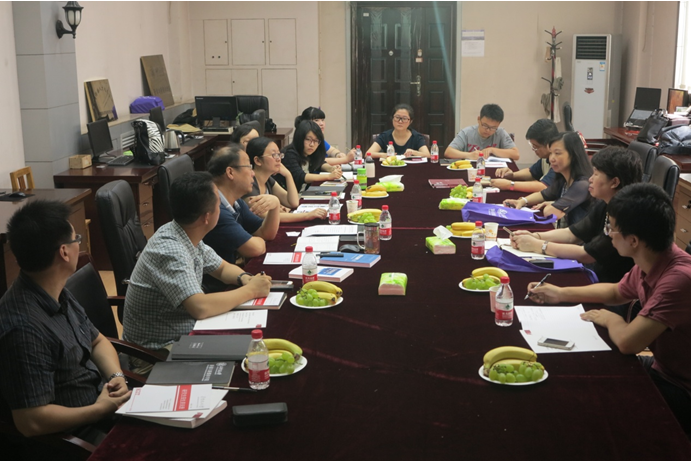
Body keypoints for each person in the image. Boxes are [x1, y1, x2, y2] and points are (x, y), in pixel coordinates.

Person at [526, 183, 691, 437]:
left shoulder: (678, 280)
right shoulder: (653, 257)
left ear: (633, 241)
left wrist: (610, 319)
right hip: (664, 368)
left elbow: (628, 342)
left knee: (596, 404)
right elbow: (616, 292)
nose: (609, 234)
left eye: (611, 228)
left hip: (681, 388)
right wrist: (560, 293)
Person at [0, 200, 131, 441]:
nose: (78, 244)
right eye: (76, 239)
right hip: (78, 436)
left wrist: (117, 377)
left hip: (103, 403)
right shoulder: (23, 329)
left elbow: (97, 341)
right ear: (64, 252)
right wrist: (100, 409)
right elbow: (31, 421)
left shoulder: (54, 289)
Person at [123, 172, 272, 373]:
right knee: (251, 360)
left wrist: (245, 278)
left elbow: (222, 268)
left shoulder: (185, 231)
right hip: (156, 353)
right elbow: (200, 307)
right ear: (207, 217)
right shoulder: (169, 249)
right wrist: (251, 291)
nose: (222, 207)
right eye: (219, 203)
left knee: (256, 342)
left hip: (185, 333)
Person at [511, 146, 643, 283]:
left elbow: (587, 254)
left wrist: (538, 245)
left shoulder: (627, 214)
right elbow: (572, 234)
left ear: (614, 182)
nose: (590, 179)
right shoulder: (605, 204)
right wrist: (535, 236)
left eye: (596, 174)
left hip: (613, 284)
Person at [204, 143, 281, 263]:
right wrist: (255, 240)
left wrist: (275, 205)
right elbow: (255, 249)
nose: (253, 173)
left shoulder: (236, 202)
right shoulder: (216, 209)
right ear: (230, 172)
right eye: (249, 167)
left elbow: (266, 233)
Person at [503, 131, 592, 227]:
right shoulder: (563, 178)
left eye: (557, 153)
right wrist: (521, 201)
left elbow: (550, 212)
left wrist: (554, 204)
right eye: (551, 153)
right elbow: (544, 194)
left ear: (573, 155)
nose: (551, 159)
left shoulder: (583, 184)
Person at [243, 136, 327, 223]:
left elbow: (293, 202)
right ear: (257, 161)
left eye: (279, 154)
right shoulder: (249, 184)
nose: (278, 159)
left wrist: (288, 175)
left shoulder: (268, 180)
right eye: (273, 155)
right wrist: (307, 215)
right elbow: (266, 216)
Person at [491, 118, 559, 192]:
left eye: (535, 147)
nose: (533, 150)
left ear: (549, 145)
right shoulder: (546, 157)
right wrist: (512, 175)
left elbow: (543, 186)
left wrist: (510, 185)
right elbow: (532, 173)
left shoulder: (559, 161)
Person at [282, 120, 342, 191]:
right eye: (308, 139)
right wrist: (329, 176)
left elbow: (319, 163)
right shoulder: (289, 154)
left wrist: (331, 168)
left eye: (316, 141)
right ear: (299, 138)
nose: (312, 144)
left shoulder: (310, 152)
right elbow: (301, 177)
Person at [444, 103, 520, 160]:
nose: (488, 130)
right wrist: (469, 155)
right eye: (485, 125)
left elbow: (516, 155)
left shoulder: (500, 133)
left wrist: (492, 150)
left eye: (493, 128)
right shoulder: (466, 133)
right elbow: (448, 152)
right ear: (479, 119)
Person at [366, 104, 430, 158]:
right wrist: (385, 155)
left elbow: (428, 155)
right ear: (392, 118)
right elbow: (368, 154)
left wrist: (413, 152)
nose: (400, 121)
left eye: (404, 118)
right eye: (397, 117)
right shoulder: (384, 136)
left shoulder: (416, 137)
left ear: (410, 121)